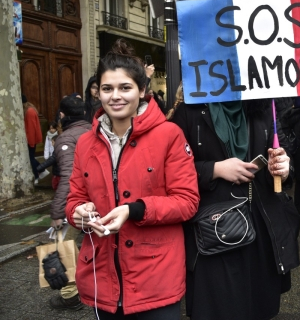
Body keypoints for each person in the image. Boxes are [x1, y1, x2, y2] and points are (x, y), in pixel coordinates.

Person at [65, 38, 199, 318]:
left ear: (142, 90)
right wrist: (77, 213)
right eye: (107, 88)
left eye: (125, 87)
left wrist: (133, 209)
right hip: (102, 278)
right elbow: (75, 197)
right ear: (97, 93)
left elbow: (187, 202)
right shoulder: (85, 144)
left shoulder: (169, 136)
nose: (115, 96)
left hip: (155, 280)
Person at [172, 96, 300, 320]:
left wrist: (283, 168)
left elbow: (285, 161)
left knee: (258, 307)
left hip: (261, 230)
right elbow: (171, 168)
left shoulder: (264, 106)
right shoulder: (191, 110)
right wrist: (214, 169)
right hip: (213, 232)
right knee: (217, 308)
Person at [48, 95, 92, 310]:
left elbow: (67, 178)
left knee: (63, 244)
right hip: (98, 201)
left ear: (62, 115)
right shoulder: (93, 131)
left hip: (76, 204)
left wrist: (57, 212)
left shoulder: (66, 139)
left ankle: (70, 295)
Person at [23, 94, 43, 184]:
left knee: (30, 158)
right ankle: (42, 170)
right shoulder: (29, 109)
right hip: (30, 139)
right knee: (30, 157)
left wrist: (30, 142)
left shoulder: (29, 111)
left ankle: (36, 175)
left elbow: (31, 128)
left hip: (31, 139)